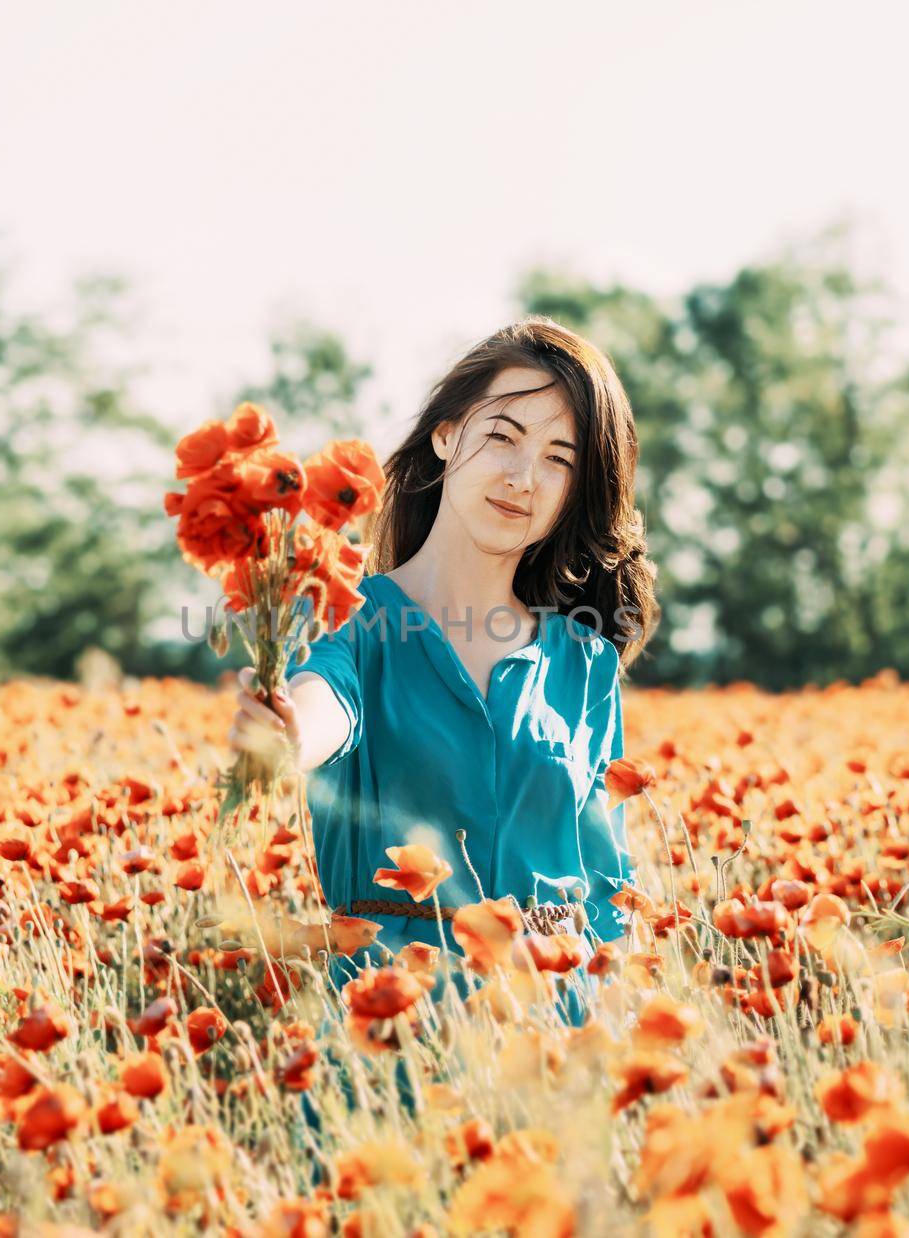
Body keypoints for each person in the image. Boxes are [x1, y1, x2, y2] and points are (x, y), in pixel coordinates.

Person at [227, 315, 660, 1030]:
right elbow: (320, 707)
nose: (524, 478)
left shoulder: (586, 664)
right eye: (503, 437)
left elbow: (608, 881)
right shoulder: (352, 622)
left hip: (560, 1026)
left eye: (560, 459)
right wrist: (284, 729)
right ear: (446, 435)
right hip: (400, 1028)